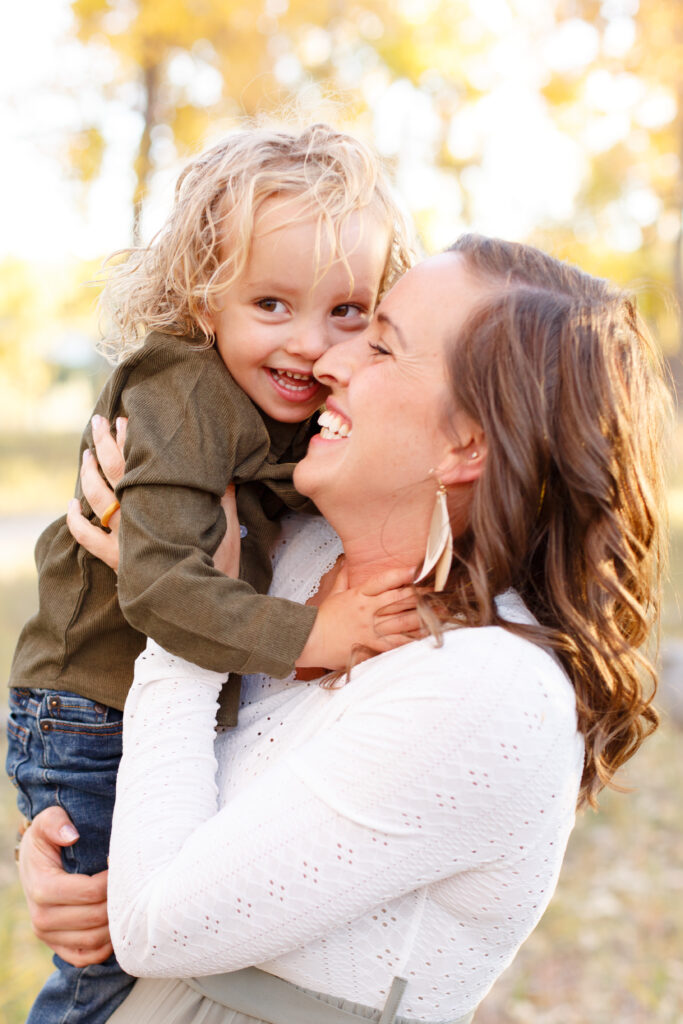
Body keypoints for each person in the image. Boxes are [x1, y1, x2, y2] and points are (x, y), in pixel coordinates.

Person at [17, 235, 670, 1024]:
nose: (328, 362)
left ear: (467, 443)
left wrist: (188, 610)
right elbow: (174, 819)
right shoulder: (294, 554)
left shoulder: (488, 687)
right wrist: (74, 855)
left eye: (381, 344)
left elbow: (158, 927)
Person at [5, 123, 418, 1024]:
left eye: (346, 312)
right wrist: (315, 635)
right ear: (203, 301)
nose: (310, 345)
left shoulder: (288, 401)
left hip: (139, 703)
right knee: (100, 968)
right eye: (271, 304)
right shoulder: (185, 392)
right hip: (91, 703)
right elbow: (156, 587)